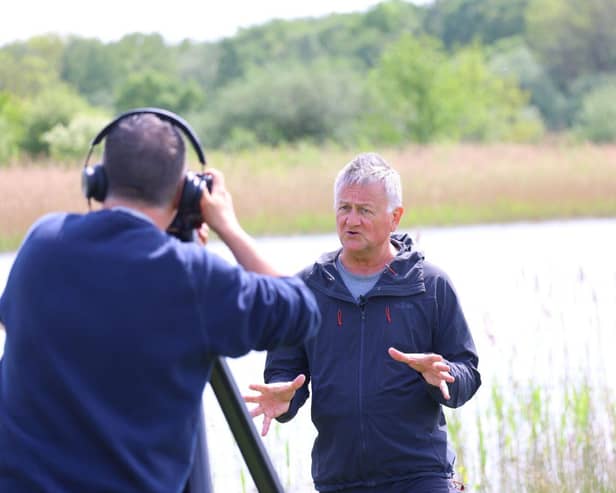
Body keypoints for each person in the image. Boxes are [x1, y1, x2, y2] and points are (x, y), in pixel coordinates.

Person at [0, 113, 321, 493]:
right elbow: (300, 310)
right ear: (183, 192)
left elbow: (17, 322)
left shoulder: (44, 241)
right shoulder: (193, 279)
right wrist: (227, 226)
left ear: (98, 179)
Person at [245, 152, 481, 493]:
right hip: (338, 480)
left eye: (364, 211)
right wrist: (284, 399)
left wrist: (443, 374)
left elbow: (467, 373)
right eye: (344, 208)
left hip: (420, 477)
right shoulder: (306, 291)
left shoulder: (430, 286)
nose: (351, 220)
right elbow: (284, 374)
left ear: (395, 217)